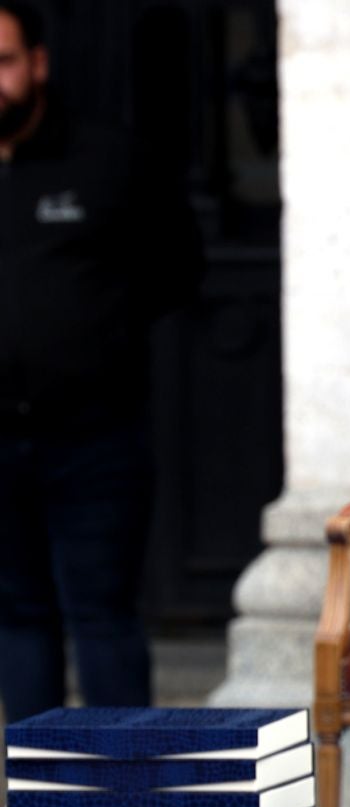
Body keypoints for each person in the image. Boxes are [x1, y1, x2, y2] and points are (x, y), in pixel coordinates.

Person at [0, 0, 200, 723]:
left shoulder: (107, 159)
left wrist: (93, 341)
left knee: (104, 617)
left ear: (38, 64)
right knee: (19, 619)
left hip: (95, 439)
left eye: (4, 61)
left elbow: (177, 268)